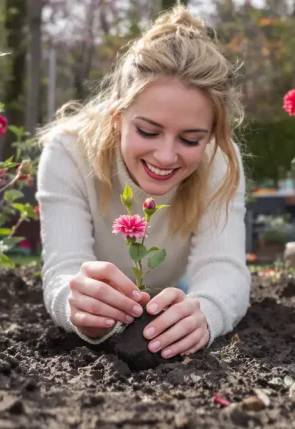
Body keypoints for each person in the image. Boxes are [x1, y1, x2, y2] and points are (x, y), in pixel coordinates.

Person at [35, 5, 250, 359]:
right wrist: (78, 308)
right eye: (148, 131)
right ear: (117, 117)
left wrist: (206, 312)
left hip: (177, 292)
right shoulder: (68, 152)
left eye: (191, 140)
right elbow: (63, 270)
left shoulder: (220, 161)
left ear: (212, 135)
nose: (166, 157)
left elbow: (224, 268)